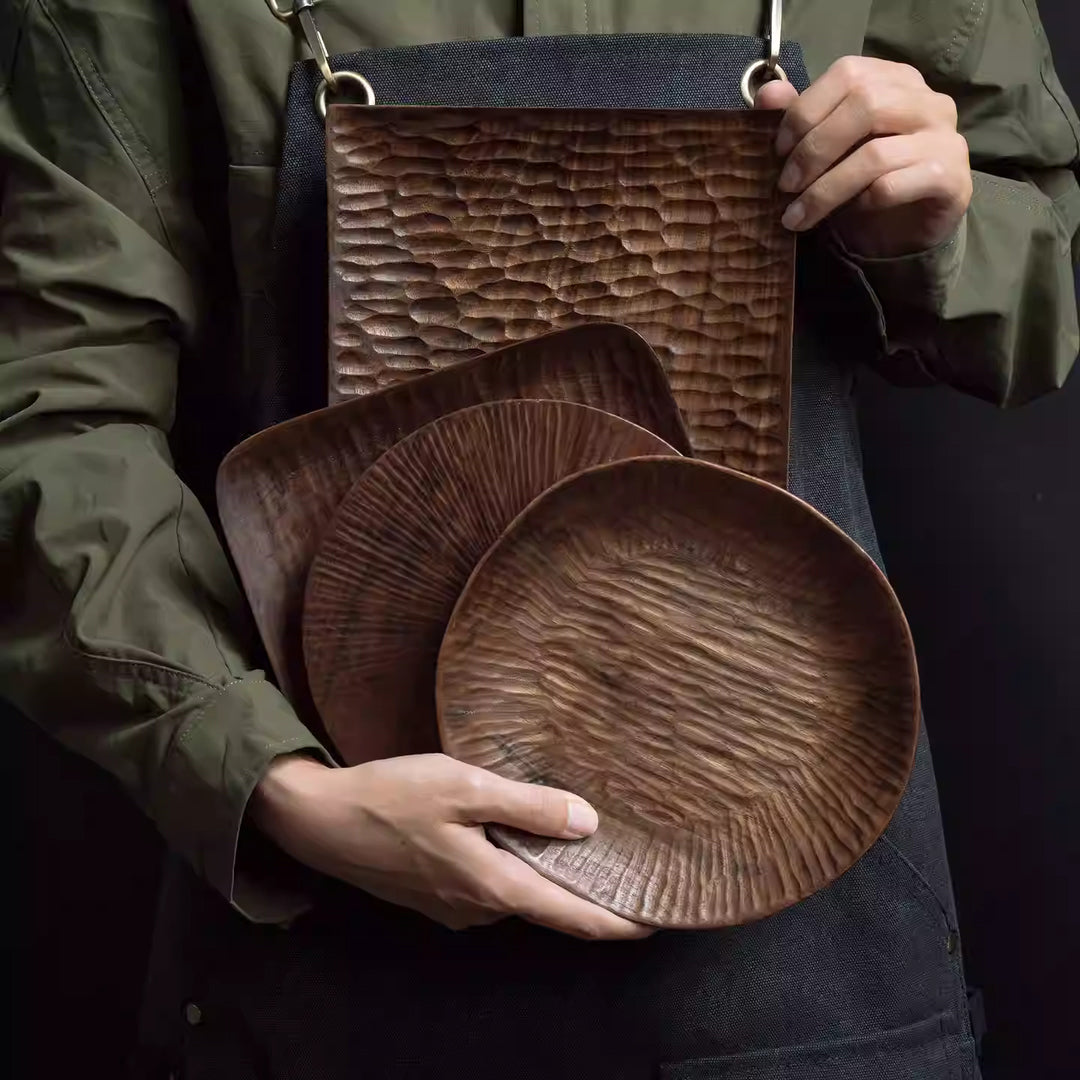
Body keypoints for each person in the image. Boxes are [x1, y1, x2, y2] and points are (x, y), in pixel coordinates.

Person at [2, 2, 1077, 1077]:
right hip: (328, 949)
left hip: (800, 940)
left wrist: (942, 228)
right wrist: (262, 779)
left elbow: (1044, 290)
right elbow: (50, 415)